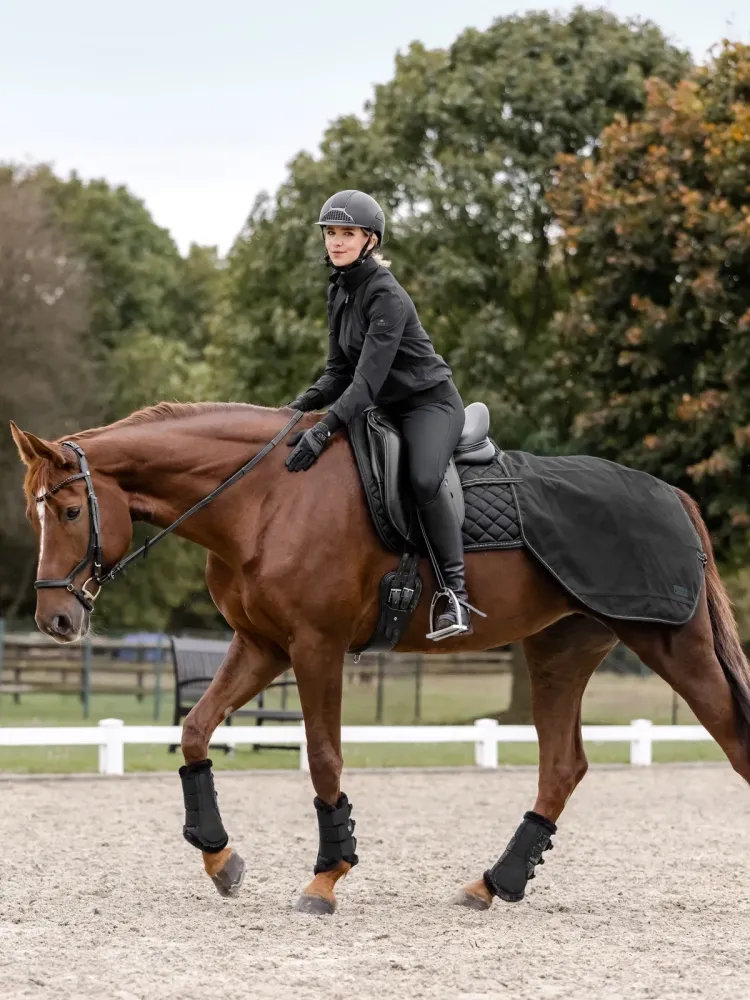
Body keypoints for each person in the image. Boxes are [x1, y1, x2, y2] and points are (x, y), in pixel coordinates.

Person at [285, 189, 475, 639]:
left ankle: (455, 595)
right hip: (384, 410)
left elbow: (364, 383)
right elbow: (337, 373)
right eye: (331, 233)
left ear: (370, 240)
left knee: (424, 478)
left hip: (429, 405)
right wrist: (293, 412)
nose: (336, 242)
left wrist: (325, 428)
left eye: (347, 233)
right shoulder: (339, 291)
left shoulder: (386, 296)